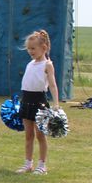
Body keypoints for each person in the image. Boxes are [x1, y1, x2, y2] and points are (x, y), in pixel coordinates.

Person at [15, 30, 60, 175]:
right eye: (28, 48)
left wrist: (56, 103)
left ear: (44, 48)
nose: (30, 51)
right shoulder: (30, 64)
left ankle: (42, 165)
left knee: (40, 135)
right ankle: (28, 164)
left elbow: (52, 85)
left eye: (33, 48)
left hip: (39, 102)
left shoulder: (47, 64)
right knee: (28, 135)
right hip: (26, 101)